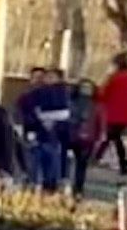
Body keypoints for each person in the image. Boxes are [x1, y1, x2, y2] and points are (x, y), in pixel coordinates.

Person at [17, 61, 84, 194]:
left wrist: (55, 124)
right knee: (34, 172)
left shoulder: (62, 94)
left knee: (52, 174)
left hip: (54, 141)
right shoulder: (28, 97)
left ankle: (50, 190)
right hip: (35, 139)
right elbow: (25, 114)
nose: (39, 81)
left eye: (42, 77)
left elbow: (69, 117)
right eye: (34, 78)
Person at [98, 48, 127, 182]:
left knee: (113, 136)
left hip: (114, 112)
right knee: (113, 136)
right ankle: (99, 156)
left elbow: (103, 94)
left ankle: (122, 164)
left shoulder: (115, 77)